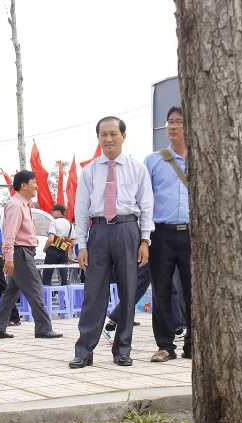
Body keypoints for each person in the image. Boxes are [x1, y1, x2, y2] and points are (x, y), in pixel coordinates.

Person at [70, 116, 154, 367]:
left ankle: (123, 349)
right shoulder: (90, 171)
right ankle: (84, 351)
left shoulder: (136, 168)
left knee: (129, 291)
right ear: (98, 138)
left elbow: (147, 205)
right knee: (93, 293)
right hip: (99, 233)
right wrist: (82, 245)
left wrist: (145, 240)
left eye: (112, 134)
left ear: (123, 136)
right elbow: (81, 209)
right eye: (103, 134)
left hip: (128, 229)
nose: (108, 139)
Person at [0, 171, 62, 340]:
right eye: (34, 182)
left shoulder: (24, 205)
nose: (37, 185)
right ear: (23, 185)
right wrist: (9, 258)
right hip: (20, 253)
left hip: (23, 252)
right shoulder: (15, 205)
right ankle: (43, 328)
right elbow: (9, 235)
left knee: (11, 292)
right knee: (35, 289)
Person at [145, 106, 193, 362]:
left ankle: (193, 344)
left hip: (191, 234)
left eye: (179, 122)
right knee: (161, 290)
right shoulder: (153, 161)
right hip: (161, 234)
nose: (173, 126)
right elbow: (143, 198)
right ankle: (165, 346)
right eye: (170, 122)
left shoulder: (200, 158)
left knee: (193, 290)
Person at [42, 204, 74, 285]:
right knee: (64, 277)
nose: (52, 212)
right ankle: (65, 296)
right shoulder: (69, 224)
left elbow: (51, 239)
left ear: (59, 212)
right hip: (64, 251)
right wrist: (69, 254)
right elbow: (72, 242)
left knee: (47, 276)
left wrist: (45, 249)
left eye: (53, 211)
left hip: (52, 251)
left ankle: (47, 296)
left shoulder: (54, 222)